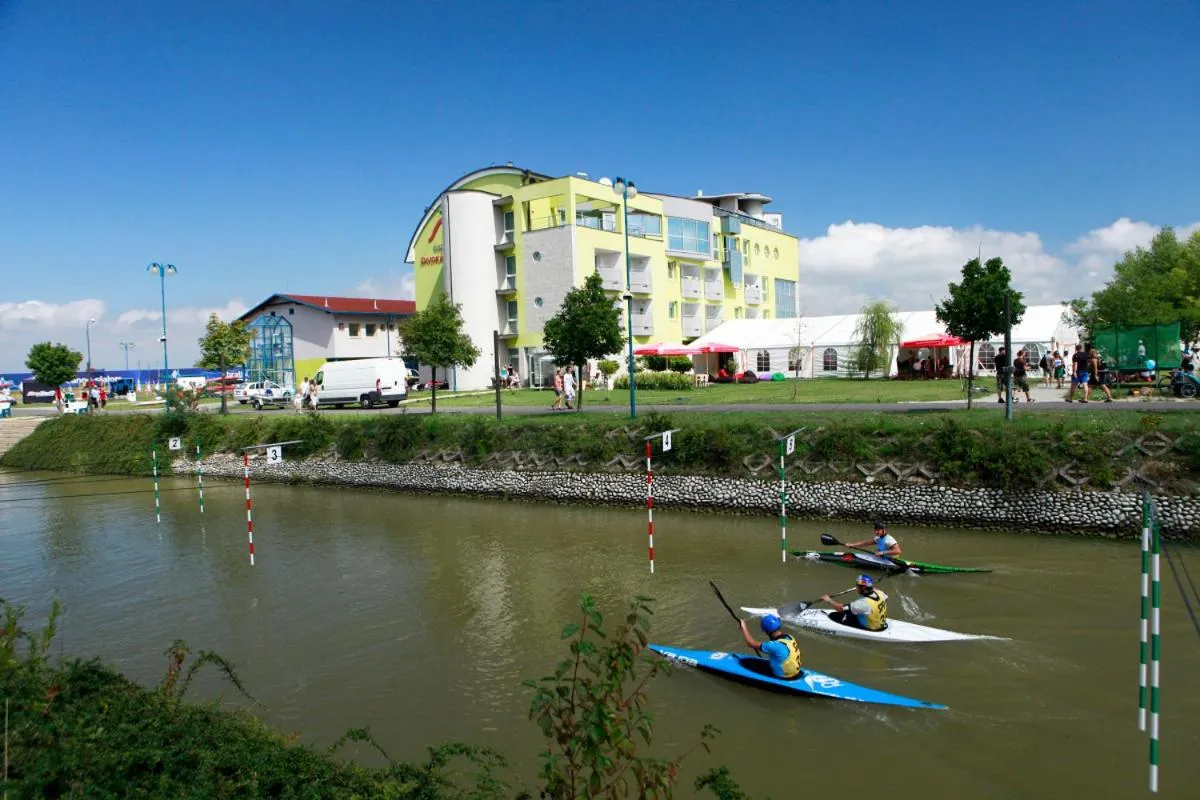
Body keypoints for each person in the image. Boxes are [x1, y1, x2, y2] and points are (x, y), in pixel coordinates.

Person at [738, 614, 802, 680]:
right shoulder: (790, 637)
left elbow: (750, 643)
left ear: (767, 632)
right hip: (795, 672)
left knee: (750, 664)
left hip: (782, 676)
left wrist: (743, 627)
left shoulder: (773, 645)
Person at [821, 575, 889, 631]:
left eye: (857, 586)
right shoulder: (881, 593)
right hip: (879, 623)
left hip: (869, 627)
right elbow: (885, 596)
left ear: (863, 588)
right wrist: (869, 587)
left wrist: (829, 600)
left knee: (838, 615)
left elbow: (841, 608)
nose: (856, 588)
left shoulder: (862, 604)